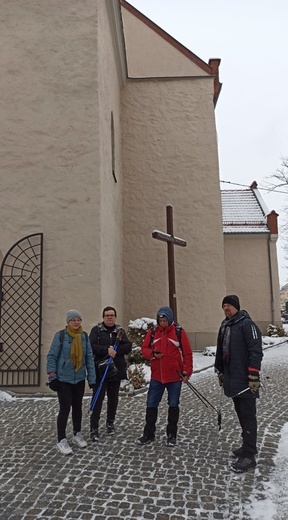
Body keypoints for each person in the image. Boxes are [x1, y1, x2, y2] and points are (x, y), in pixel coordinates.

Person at [214, 295, 263, 473]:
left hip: (247, 380)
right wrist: (219, 369)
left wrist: (253, 374)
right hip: (232, 378)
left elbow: (256, 350)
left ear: (236, 306)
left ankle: (249, 455)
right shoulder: (225, 325)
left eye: (229, 305)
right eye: (224, 305)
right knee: (241, 414)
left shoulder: (246, 325)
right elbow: (221, 350)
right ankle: (247, 446)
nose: (226, 308)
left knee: (248, 416)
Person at [137, 306, 193, 447]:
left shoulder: (179, 332)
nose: (162, 323)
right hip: (157, 376)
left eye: (164, 320)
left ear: (170, 320)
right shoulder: (153, 332)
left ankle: (171, 434)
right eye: (160, 320)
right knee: (151, 404)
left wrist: (187, 372)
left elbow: (187, 353)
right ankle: (149, 433)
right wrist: (152, 354)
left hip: (174, 377)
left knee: (173, 405)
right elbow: (144, 349)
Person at [46, 310, 96, 455]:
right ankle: (61, 439)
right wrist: (52, 377)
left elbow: (89, 359)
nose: (76, 322)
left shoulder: (84, 337)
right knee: (64, 409)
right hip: (63, 379)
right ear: (68, 322)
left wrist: (91, 379)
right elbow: (51, 357)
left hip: (79, 378)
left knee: (77, 407)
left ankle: (77, 433)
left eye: (78, 319)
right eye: (73, 320)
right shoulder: (60, 336)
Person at [89, 306, 132, 441]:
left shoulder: (119, 331)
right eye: (107, 315)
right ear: (103, 317)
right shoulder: (96, 330)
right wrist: (106, 350)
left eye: (112, 315)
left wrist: (116, 350)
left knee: (113, 400)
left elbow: (128, 346)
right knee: (98, 399)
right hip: (100, 371)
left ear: (115, 317)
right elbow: (91, 346)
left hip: (115, 371)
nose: (109, 317)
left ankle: (110, 422)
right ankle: (94, 427)